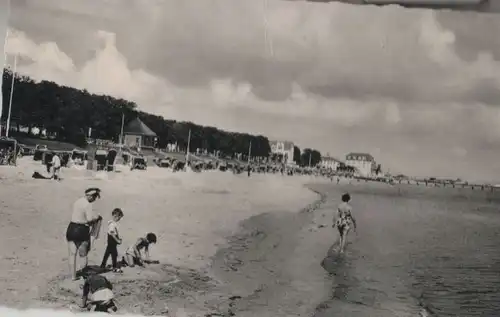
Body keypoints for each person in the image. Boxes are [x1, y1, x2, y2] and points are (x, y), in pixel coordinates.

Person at [66, 188, 103, 280]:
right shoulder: (87, 205)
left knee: (72, 254)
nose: (94, 200)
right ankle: (83, 275)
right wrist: (97, 218)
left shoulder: (77, 201)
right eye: (94, 197)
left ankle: (73, 276)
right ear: (90, 196)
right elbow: (89, 219)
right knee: (83, 253)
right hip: (81, 229)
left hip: (71, 227)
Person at [100, 208, 124, 273]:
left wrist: (118, 238)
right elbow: (112, 233)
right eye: (119, 217)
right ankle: (114, 267)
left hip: (111, 240)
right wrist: (117, 240)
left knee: (107, 253)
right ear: (115, 216)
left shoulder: (112, 223)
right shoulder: (112, 224)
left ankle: (102, 265)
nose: (119, 219)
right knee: (114, 254)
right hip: (112, 240)